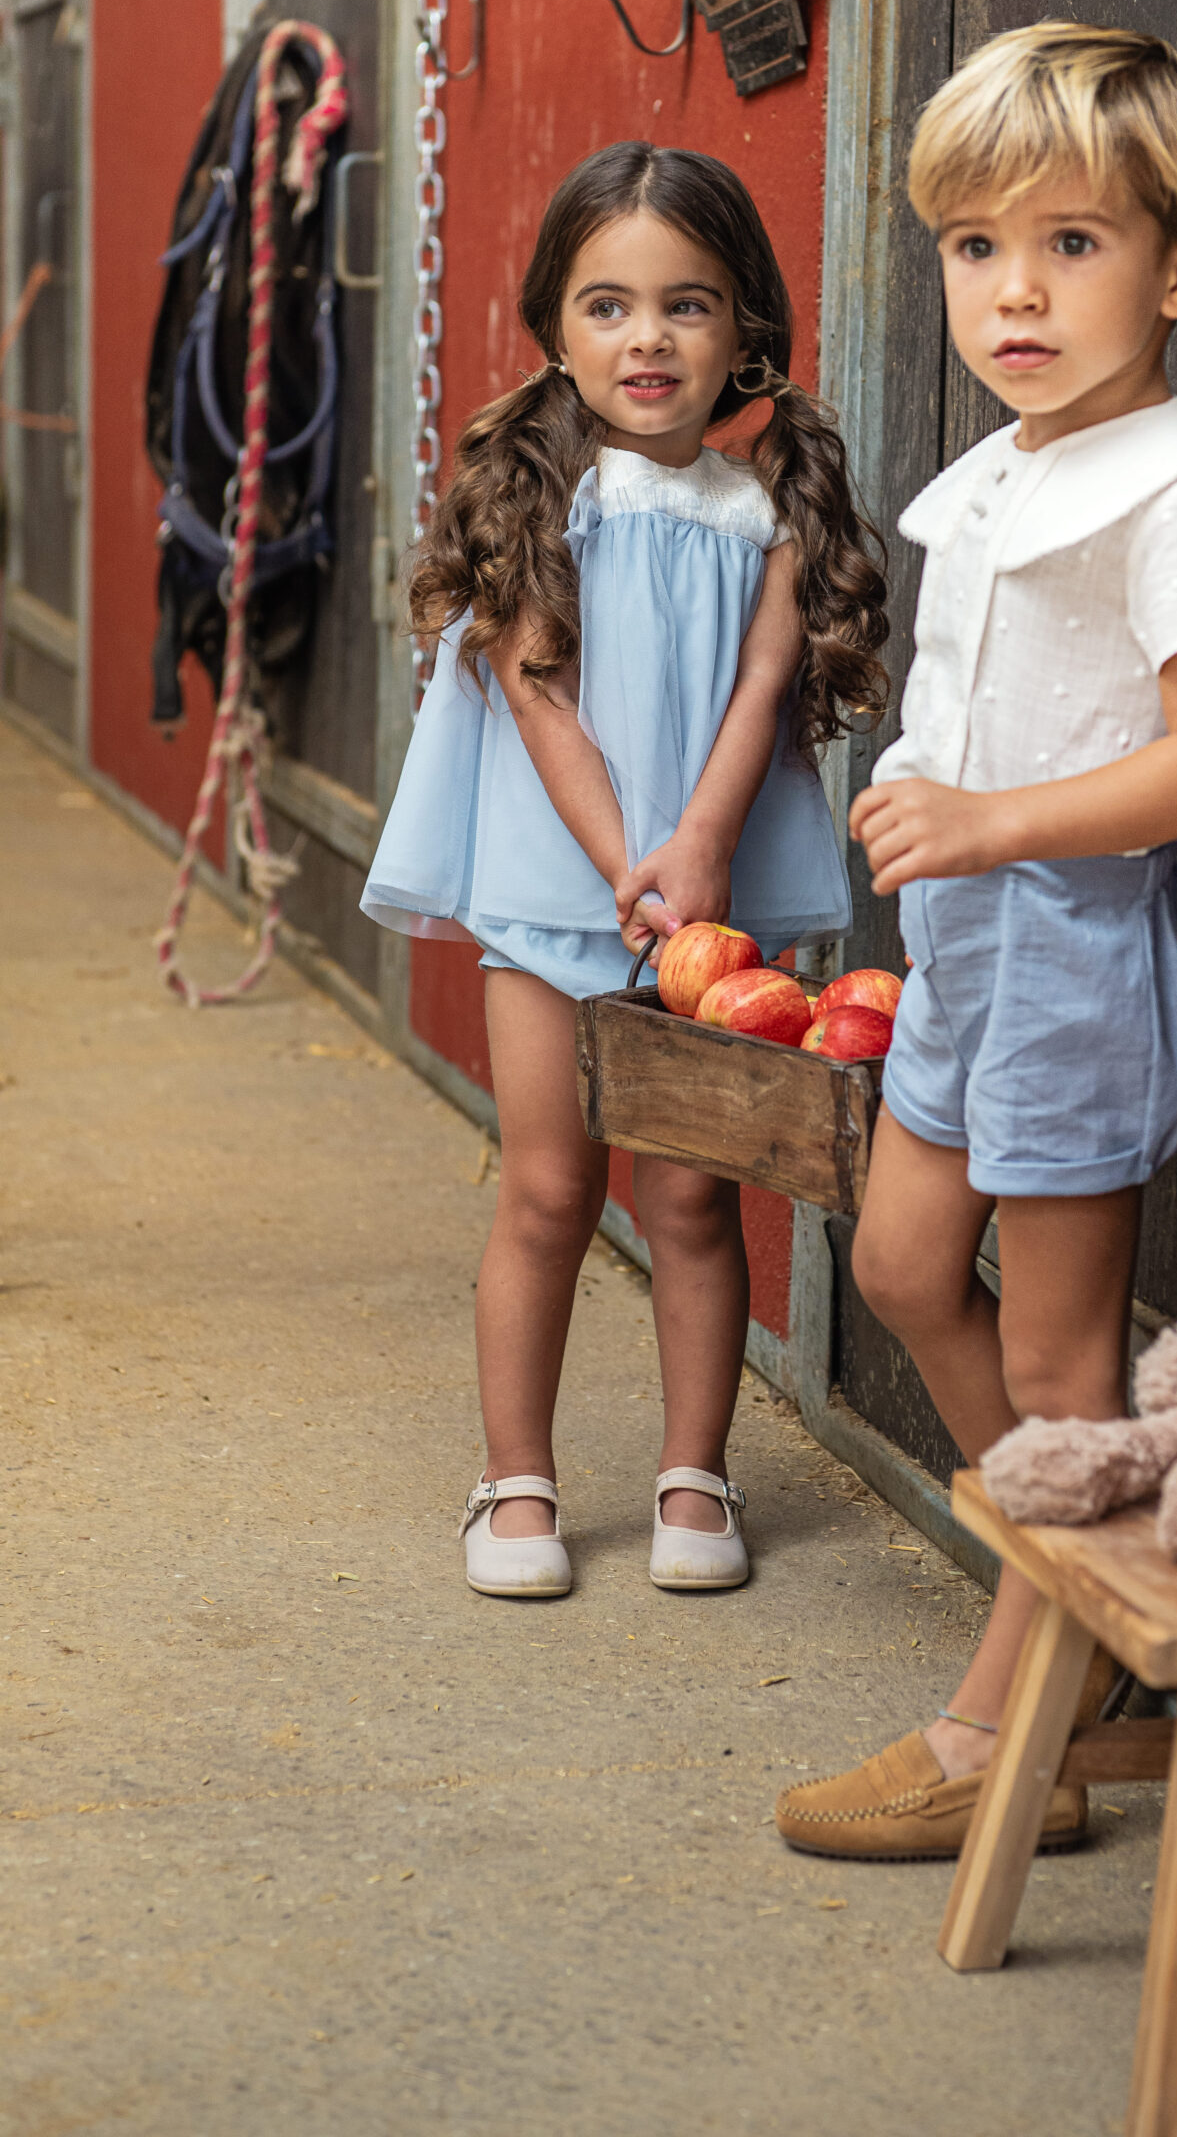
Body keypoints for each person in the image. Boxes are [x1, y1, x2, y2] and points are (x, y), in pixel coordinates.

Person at [775, 23, 1177, 1858]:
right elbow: (979, 692)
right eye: (977, 247)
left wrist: (985, 820)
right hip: (969, 930)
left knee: (1062, 1364)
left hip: (1070, 939)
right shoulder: (1000, 470)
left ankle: (1004, 1725)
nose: (1016, 291)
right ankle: (1086, 1567)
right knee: (908, 1264)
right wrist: (928, 788)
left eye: (1072, 245)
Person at [362, 143, 887, 1602]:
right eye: (606, 306)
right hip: (556, 891)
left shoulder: (768, 504)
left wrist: (703, 851)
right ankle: (514, 1480)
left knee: (693, 1202)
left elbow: (766, 681)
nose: (645, 339)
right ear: (553, 325)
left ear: (744, 331)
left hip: (712, 897)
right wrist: (624, 869)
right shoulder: (544, 492)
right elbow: (539, 695)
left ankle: (691, 1471)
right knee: (544, 1186)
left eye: (686, 305)